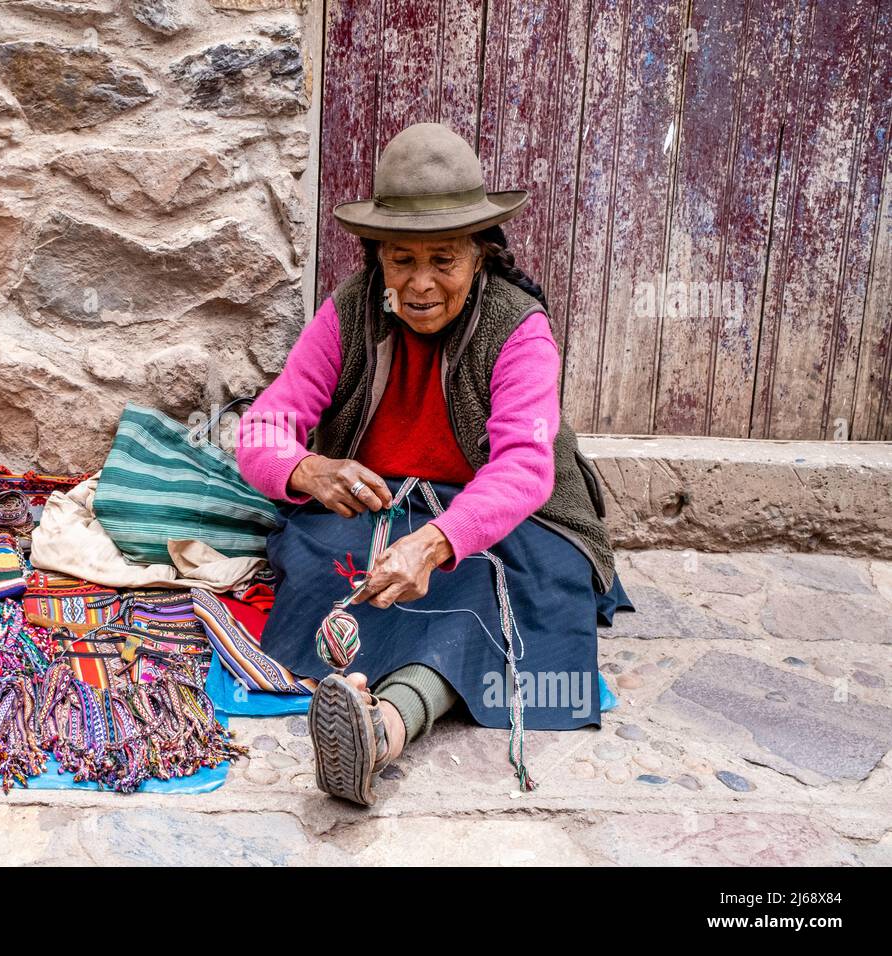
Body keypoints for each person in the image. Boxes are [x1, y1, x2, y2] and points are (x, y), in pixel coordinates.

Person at [235, 122, 632, 806]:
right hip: (385, 506)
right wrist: (309, 471)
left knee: (480, 586)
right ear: (377, 258)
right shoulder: (352, 313)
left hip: (514, 520)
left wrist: (435, 543)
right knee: (329, 566)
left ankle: (383, 728)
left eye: (442, 260)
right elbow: (264, 428)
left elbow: (522, 470)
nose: (419, 284)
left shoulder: (518, 328)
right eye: (400, 260)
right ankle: (354, 693)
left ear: (480, 255)